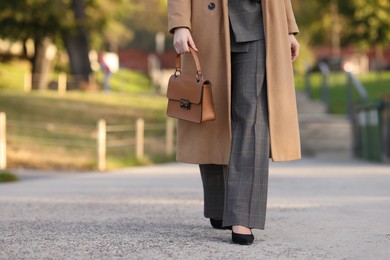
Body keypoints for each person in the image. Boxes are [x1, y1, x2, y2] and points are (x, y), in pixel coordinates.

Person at [168, 0, 301, 245]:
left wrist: (288, 28)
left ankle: (242, 214)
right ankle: (220, 202)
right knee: (210, 113)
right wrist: (179, 23)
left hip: (260, 24)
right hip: (205, 23)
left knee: (252, 117)